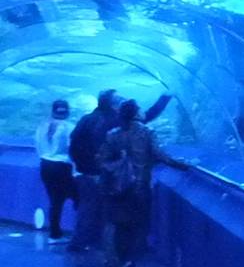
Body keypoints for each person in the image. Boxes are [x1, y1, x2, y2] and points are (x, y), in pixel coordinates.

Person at [98, 99, 190, 267]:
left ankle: (121, 263)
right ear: (135, 113)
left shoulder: (113, 134)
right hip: (139, 189)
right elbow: (160, 155)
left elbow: (102, 159)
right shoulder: (146, 132)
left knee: (121, 228)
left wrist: (118, 167)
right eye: (139, 109)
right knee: (138, 228)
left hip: (118, 189)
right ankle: (129, 266)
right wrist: (180, 164)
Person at [67, 89, 172, 253]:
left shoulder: (86, 119)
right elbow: (144, 117)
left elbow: (73, 145)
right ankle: (113, 252)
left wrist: (81, 167)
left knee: (86, 208)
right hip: (105, 174)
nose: (121, 101)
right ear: (111, 103)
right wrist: (165, 98)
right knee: (112, 215)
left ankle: (78, 243)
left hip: (84, 173)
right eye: (118, 99)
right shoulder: (114, 121)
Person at [35, 98, 76, 242]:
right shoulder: (69, 127)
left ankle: (55, 234)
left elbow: (38, 146)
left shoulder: (42, 126)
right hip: (62, 167)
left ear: (53, 111)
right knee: (79, 198)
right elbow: (72, 149)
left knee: (55, 201)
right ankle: (80, 234)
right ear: (68, 112)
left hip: (45, 165)